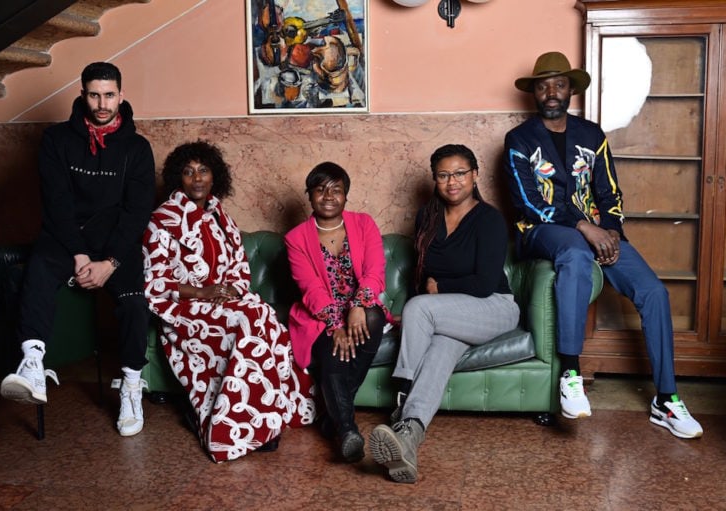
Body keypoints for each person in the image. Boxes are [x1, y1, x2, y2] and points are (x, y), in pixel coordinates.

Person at [503, 51, 703, 439]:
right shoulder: (519, 139)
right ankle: (571, 373)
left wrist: (609, 230)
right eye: (543, 86)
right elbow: (529, 202)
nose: (551, 92)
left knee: (653, 291)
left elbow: (609, 191)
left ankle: (666, 398)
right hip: (542, 231)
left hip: (597, 231)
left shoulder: (592, 135)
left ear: (571, 90)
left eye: (559, 84)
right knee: (576, 253)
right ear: (534, 93)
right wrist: (584, 228)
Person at [0, 62, 155, 437]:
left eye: (109, 94)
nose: (102, 103)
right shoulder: (56, 140)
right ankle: (33, 363)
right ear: (82, 94)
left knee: (135, 302)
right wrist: (80, 255)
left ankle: (132, 384)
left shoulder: (137, 148)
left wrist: (110, 262)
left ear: (121, 94)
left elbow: (136, 213)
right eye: (94, 94)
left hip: (115, 240)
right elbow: (57, 203)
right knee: (38, 269)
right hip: (66, 235)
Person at [142, 141, 316, 462]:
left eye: (204, 170)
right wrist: (203, 293)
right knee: (248, 320)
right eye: (188, 171)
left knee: (262, 314)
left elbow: (238, 265)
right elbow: (155, 281)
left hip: (222, 304)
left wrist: (232, 290)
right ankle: (235, 426)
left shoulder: (220, 215)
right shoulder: (163, 219)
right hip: (183, 312)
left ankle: (267, 418)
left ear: (214, 176)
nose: (197, 178)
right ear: (177, 178)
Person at [369, 144, 520, 483]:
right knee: (439, 350)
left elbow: (483, 284)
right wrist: (421, 302)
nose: (452, 182)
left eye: (460, 173)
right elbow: (422, 274)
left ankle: (402, 394)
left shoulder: (489, 220)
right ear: (435, 179)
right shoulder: (428, 216)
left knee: (421, 308)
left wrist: (438, 290)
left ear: (475, 175)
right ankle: (409, 436)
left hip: (494, 307)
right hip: (452, 314)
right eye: (443, 175)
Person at [284, 162, 389, 462]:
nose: (328, 196)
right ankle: (347, 430)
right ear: (310, 196)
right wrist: (335, 324)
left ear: (346, 196)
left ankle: (333, 419)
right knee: (332, 350)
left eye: (336, 190)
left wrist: (357, 306)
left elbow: (375, 271)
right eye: (320, 190)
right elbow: (310, 288)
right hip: (318, 317)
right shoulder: (296, 238)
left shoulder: (364, 224)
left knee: (374, 317)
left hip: (360, 307)